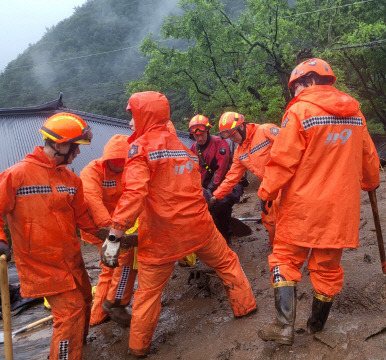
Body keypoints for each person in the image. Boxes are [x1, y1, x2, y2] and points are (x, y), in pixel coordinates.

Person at [100, 91, 257, 357]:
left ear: (143, 114)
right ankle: (245, 307)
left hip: (162, 235)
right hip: (200, 226)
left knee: (148, 293)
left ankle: (139, 347)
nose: (130, 122)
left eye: (132, 116)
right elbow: (196, 187)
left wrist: (114, 236)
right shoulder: (185, 149)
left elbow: (134, 195)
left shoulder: (140, 150)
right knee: (228, 263)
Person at [257, 58, 380, 345]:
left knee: (285, 259)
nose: (296, 92)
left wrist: (266, 194)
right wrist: (370, 183)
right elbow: (369, 158)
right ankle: (316, 326)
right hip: (340, 210)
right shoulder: (356, 114)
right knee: (327, 268)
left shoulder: (300, 111)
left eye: (296, 86)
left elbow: (282, 160)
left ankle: (283, 326)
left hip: (302, 206)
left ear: (309, 81)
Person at [0, 113, 98, 359]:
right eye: (75, 147)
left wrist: (112, 236)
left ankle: (77, 348)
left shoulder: (71, 179)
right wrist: (0, 240)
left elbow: (85, 220)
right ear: (59, 144)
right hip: (42, 263)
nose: (77, 153)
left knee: (86, 300)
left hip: (71, 259)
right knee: (70, 313)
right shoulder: (16, 175)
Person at [80, 134, 136, 327]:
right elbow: (92, 200)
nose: (119, 167)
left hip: (119, 227)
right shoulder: (92, 172)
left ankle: (99, 315)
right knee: (122, 260)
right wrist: (111, 233)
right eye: (115, 163)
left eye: (123, 163)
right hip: (100, 229)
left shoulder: (130, 169)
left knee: (109, 268)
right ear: (107, 159)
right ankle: (114, 303)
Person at [209, 112, 280, 245]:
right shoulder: (240, 153)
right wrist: (216, 197)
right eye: (228, 137)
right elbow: (232, 177)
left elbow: (291, 146)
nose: (232, 139)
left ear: (241, 127)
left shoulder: (265, 131)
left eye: (233, 135)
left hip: (287, 182)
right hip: (269, 188)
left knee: (291, 218)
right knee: (270, 220)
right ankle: (278, 252)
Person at [189, 114, 244, 243]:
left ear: (207, 131)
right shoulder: (193, 148)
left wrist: (211, 192)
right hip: (207, 187)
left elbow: (221, 170)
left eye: (202, 134)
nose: (199, 137)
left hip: (229, 184)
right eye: (196, 135)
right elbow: (193, 171)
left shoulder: (220, 143)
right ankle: (211, 234)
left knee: (220, 204)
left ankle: (225, 237)